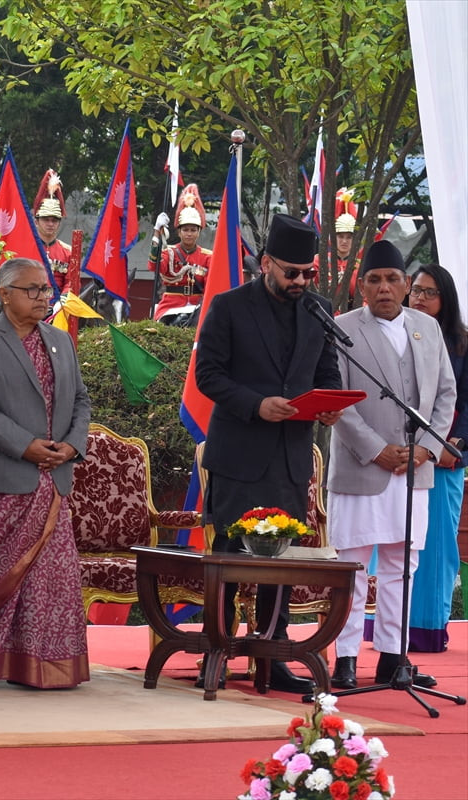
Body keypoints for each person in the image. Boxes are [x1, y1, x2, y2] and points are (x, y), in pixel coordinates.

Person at [194, 213, 343, 694]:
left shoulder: (318, 310)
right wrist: (257, 405)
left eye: (308, 273)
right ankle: (216, 649)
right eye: (291, 272)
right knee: (229, 557)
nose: (300, 282)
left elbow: (327, 372)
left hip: (289, 457)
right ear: (265, 264)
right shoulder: (230, 306)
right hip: (239, 455)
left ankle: (271, 651)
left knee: (281, 559)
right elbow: (208, 375)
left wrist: (329, 406)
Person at [0, 257, 91, 689]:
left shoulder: (60, 340)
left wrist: (72, 445)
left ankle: (42, 667)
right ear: (4, 294)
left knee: (50, 579)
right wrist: (25, 446)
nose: (44, 297)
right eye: (33, 289)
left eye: (46, 289)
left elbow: (80, 401)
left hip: (52, 478)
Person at [327, 242, 456, 689]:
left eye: (392, 279)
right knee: (353, 568)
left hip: (414, 470)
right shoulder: (343, 328)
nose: (384, 288)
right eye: (375, 280)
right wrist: (377, 450)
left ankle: (393, 656)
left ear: (405, 285)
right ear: (362, 287)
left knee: (403, 566)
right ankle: (345, 658)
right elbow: (338, 401)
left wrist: (425, 448)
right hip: (361, 468)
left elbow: (445, 394)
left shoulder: (427, 328)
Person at [405, 264, 468, 653]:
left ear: (446, 298)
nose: (420, 298)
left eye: (429, 292)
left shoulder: (461, 344)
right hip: (399, 458)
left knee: (437, 545)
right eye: (416, 290)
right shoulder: (395, 334)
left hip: (443, 459)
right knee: (396, 544)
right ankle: (387, 627)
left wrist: (455, 442)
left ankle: (427, 627)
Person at [150, 184, 211, 324]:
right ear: (179, 232)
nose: (189, 234)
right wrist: (156, 232)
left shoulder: (208, 257)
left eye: (193, 230)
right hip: (171, 306)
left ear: (199, 232)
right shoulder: (169, 252)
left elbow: (209, 286)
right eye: (185, 230)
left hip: (197, 305)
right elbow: (154, 266)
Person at [317, 187, 360, 312]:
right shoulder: (318, 261)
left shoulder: (360, 265)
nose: (344, 241)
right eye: (340, 236)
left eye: (349, 237)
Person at [32, 170, 73, 292]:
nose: (50, 224)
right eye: (46, 220)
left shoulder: (68, 252)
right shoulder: (27, 247)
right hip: (31, 299)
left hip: (60, 301)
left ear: (59, 223)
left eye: (54, 220)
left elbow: (71, 282)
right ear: (36, 222)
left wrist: (62, 300)